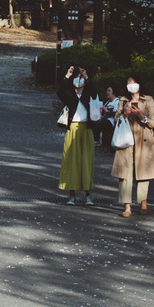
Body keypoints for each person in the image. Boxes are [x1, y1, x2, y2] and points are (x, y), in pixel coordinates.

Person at [111, 73, 154, 217]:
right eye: (128, 82)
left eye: (133, 82)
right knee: (124, 172)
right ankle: (127, 206)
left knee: (143, 171)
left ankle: (143, 202)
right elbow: (115, 120)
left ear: (139, 84)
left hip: (143, 138)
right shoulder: (123, 100)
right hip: (126, 138)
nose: (131, 84)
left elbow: (153, 123)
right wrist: (125, 114)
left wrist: (141, 116)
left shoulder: (148, 100)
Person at [58, 64, 96, 205]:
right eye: (77, 77)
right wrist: (68, 76)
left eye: (81, 78)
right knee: (71, 162)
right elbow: (60, 91)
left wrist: (86, 76)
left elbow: (95, 91)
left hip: (86, 128)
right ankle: (72, 195)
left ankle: (88, 195)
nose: (78, 80)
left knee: (87, 162)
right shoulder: (69, 94)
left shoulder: (88, 94)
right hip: (72, 128)